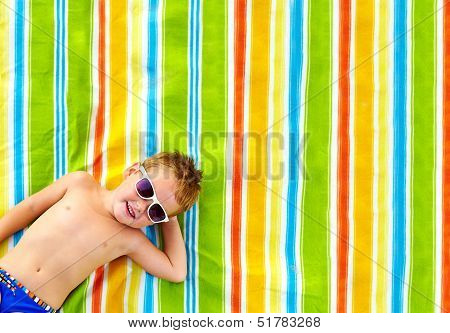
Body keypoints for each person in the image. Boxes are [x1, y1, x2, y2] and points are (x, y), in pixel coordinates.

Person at [0, 151, 202, 313]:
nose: (142, 207)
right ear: (132, 171)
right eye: (145, 190)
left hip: (33, 308)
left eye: (155, 211)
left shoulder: (130, 238)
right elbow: (30, 208)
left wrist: (171, 218)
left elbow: (176, 271)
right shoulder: (80, 184)